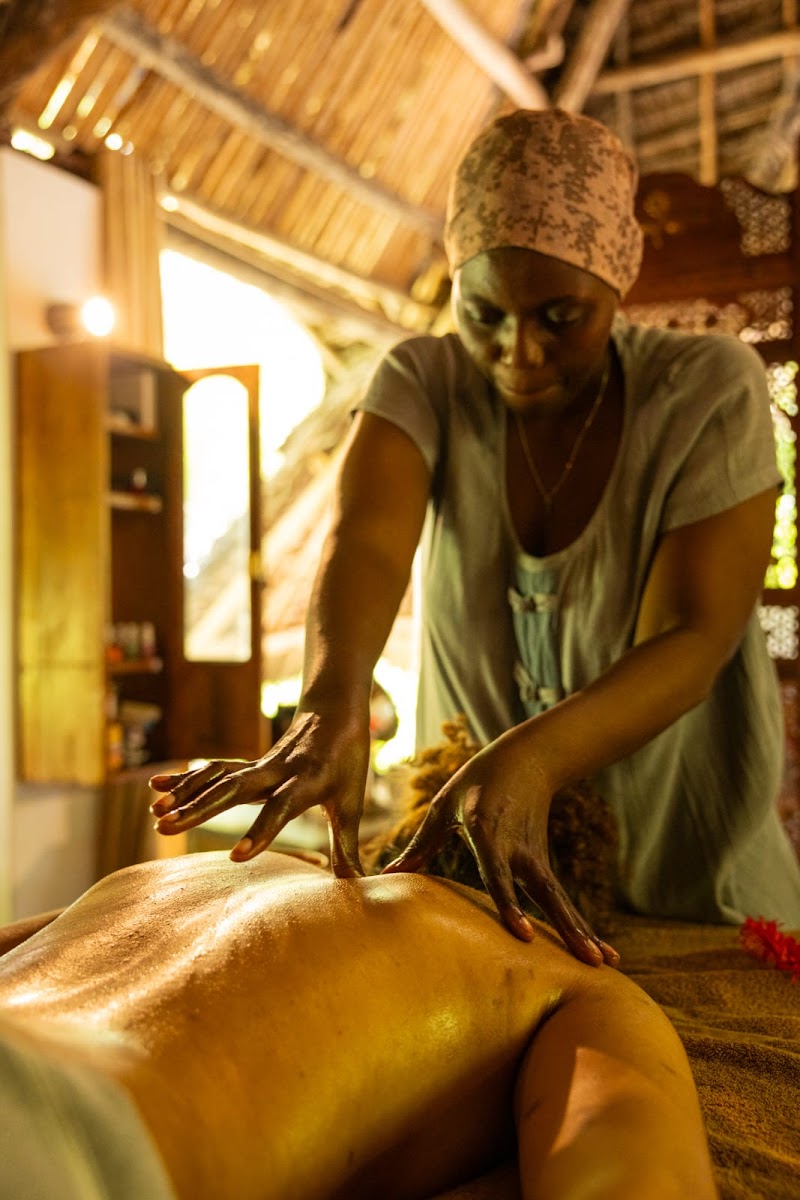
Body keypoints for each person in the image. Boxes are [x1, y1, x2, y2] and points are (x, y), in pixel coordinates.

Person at [150, 107, 800, 964]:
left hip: (692, 878)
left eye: (560, 317)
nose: (518, 352)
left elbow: (695, 634)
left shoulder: (708, 389)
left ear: (619, 281)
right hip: (487, 884)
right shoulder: (422, 380)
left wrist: (529, 763)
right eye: (483, 311)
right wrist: (329, 701)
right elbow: (371, 542)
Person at [0, 848, 718, 1200]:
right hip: (69, 1135)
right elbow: (633, 1180)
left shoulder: (170, 872)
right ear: (565, 904)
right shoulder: (568, 977)